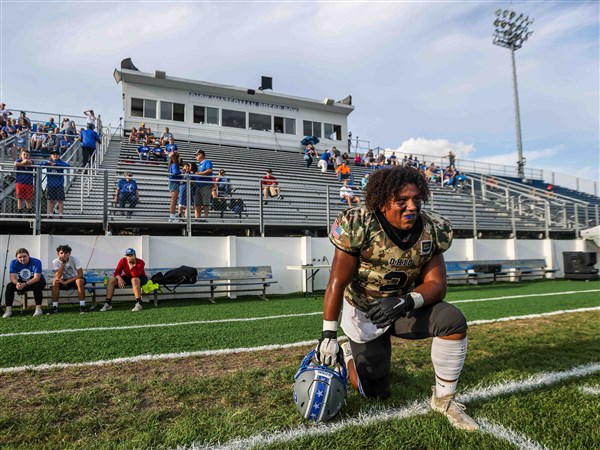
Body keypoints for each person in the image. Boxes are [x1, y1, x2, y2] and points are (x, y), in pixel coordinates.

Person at [314, 166, 478, 431]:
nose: (411, 206)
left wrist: (405, 301)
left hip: (404, 307)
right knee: (376, 393)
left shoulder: (432, 229)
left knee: (452, 320)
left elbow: (437, 285)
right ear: (381, 201)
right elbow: (337, 281)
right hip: (364, 311)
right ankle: (349, 355)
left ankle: (444, 400)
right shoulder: (359, 224)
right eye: (401, 201)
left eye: (416, 199)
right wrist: (329, 334)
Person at [3, 248, 47, 318]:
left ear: (28, 256)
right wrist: (17, 283)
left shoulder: (36, 262)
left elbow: (36, 278)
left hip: (37, 281)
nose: (22, 259)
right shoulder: (13, 263)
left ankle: (38, 309)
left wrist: (24, 284)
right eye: (20, 257)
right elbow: (12, 277)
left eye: (24, 256)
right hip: (22, 281)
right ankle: (8, 310)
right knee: (10, 286)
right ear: (17, 258)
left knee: (36, 286)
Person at [100, 248, 148, 312]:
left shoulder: (140, 262)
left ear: (135, 255)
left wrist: (131, 265)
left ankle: (138, 303)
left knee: (134, 280)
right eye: (128, 255)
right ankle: (108, 303)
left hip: (140, 278)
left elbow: (135, 275)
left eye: (131, 255)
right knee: (112, 280)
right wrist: (120, 279)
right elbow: (116, 272)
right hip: (128, 278)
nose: (129, 257)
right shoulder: (123, 260)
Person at [50, 244, 87, 314]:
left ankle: (82, 306)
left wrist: (67, 282)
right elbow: (57, 276)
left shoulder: (75, 259)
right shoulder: (55, 261)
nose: (64, 255)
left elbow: (80, 275)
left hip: (75, 279)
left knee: (79, 281)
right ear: (58, 254)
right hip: (64, 280)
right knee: (55, 282)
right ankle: (55, 307)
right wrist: (63, 264)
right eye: (61, 253)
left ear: (69, 253)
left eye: (66, 253)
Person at [40, 150, 70, 218]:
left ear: (59, 156)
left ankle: (60, 214)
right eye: (53, 154)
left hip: (59, 185)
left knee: (60, 200)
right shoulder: (48, 162)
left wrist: (56, 165)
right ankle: (51, 214)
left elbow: (67, 165)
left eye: (56, 154)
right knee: (51, 200)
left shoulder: (60, 162)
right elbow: (39, 165)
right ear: (51, 156)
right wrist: (47, 163)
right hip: (51, 185)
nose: (55, 155)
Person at [194, 150, 213, 219]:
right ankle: (197, 218)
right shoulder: (199, 165)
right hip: (198, 185)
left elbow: (209, 170)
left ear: (201, 155)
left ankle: (206, 218)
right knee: (197, 203)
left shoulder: (207, 161)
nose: (196, 156)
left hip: (205, 185)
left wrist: (200, 173)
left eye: (197, 155)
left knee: (205, 203)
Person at [14, 149, 35, 214]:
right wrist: (23, 163)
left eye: (27, 155)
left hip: (29, 183)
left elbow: (29, 162)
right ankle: (19, 212)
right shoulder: (18, 160)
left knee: (28, 199)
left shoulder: (31, 161)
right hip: (20, 182)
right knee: (20, 198)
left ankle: (29, 212)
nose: (26, 156)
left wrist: (23, 163)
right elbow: (16, 164)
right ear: (21, 155)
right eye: (24, 154)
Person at [168, 153, 182, 222]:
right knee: (173, 201)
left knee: (174, 201)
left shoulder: (173, 164)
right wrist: (181, 172)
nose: (180, 159)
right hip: (174, 183)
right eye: (179, 158)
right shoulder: (174, 164)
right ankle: (171, 217)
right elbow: (175, 172)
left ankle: (172, 216)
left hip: (174, 183)